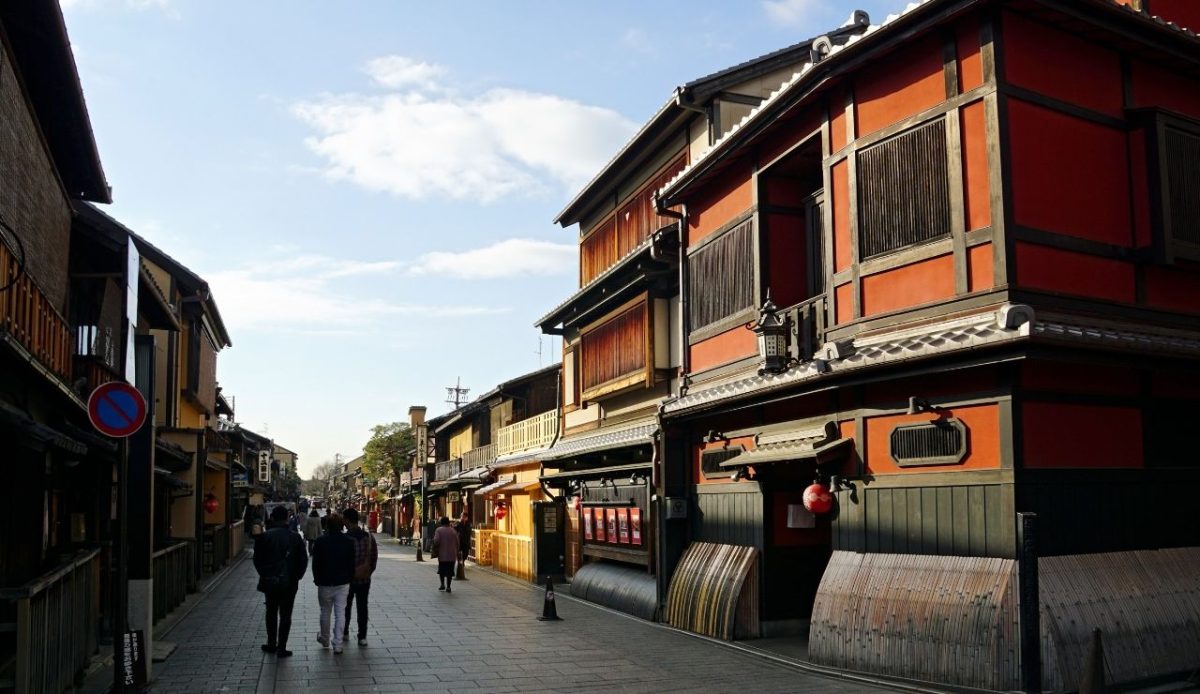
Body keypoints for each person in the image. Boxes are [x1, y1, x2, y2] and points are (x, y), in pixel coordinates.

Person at [253, 505, 307, 658]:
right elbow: (303, 560)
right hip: (289, 582)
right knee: (285, 614)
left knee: (271, 612)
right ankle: (282, 647)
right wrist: (296, 577)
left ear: (273, 518)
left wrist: (265, 574)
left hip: (270, 581)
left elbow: (257, 559)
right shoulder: (295, 537)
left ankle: (271, 644)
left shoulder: (265, 536)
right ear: (287, 518)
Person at [311, 513, 355, 654]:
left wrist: (317, 578)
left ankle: (325, 639)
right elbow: (352, 563)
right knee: (340, 612)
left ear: (327, 526)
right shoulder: (348, 541)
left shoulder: (320, 541)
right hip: (342, 582)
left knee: (325, 611)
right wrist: (349, 577)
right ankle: (338, 644)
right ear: (341, 525)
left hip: (324, 582)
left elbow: (315, 563)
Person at [341, 508, 377, 646]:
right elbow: (374, 558)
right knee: (362, 607)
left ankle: (344, 632)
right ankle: (362, 636)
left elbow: (341, 560)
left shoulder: (345, 538)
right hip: (364, 579)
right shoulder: (369, 537)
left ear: (347, 520)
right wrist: (367, 571)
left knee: (346, 606)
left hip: (347, 579)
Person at [432, 516, 459, 593]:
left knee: (442, 570)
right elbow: (457, 542)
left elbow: (436, 540)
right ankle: (449, 586)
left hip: (442, 554)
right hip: (452, 555)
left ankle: (442, 584)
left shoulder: (439, 530)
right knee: (450, 571)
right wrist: (456, 551)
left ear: (441, 522)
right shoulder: (453, 531)